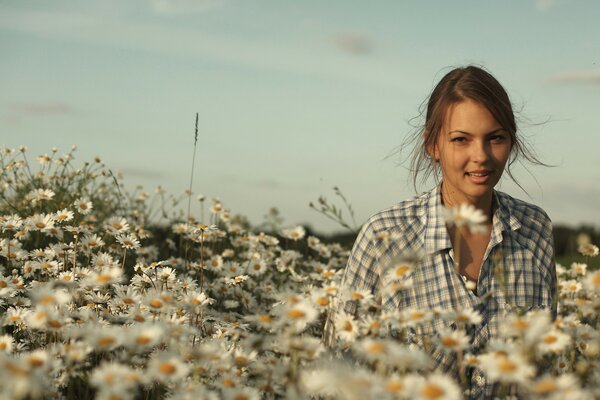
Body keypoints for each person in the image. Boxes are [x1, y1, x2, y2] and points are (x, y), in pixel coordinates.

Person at [335, 65, 557, 399]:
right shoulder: (385, 237)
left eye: (495, 138)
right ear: (432, 145)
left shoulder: (534, 230)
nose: (480, 156)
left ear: (511, 142)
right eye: (460, 140)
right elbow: (338, 369)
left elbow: (544, 369)